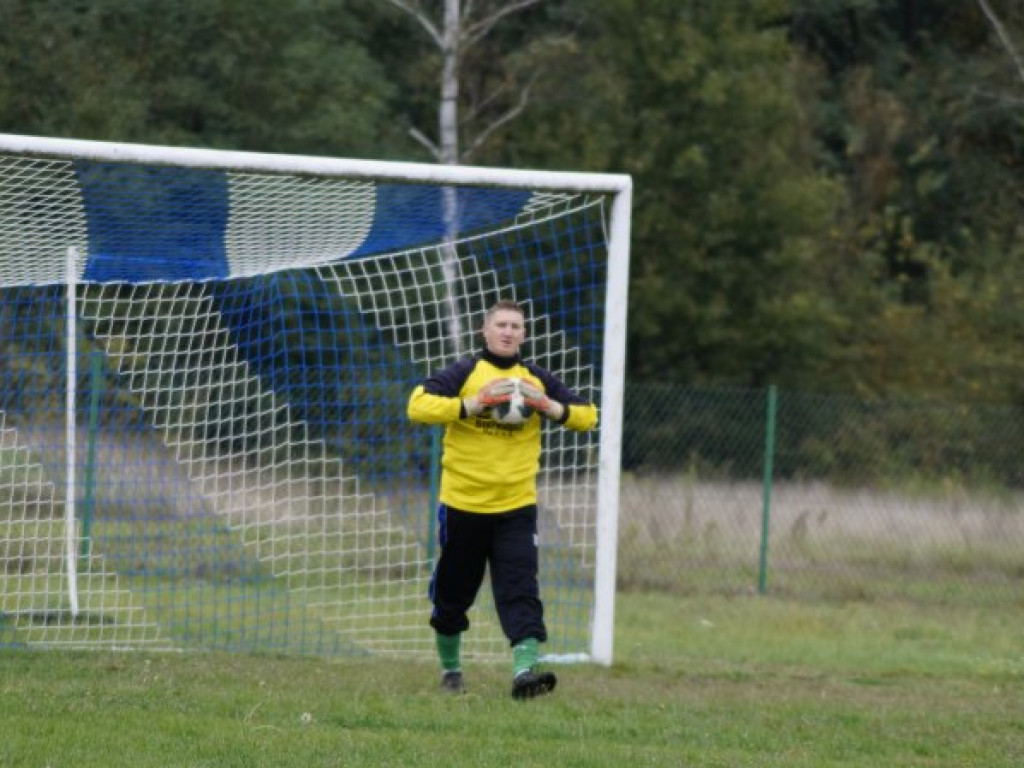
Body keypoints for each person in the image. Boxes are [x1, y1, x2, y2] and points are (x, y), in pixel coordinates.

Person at [407, 299, 598, 699]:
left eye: (516, 326)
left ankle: (525, 673)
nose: (509, 332)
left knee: (519, 587)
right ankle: (451, 670)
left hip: (516, 507)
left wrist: (546, 406)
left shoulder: (535, 379)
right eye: (502, 325)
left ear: (524, 335)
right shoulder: (466, 372)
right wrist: (474, 404)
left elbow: (588, 415)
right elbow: (417, 405)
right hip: (463, 505)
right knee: (453, 595)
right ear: (485, 330)